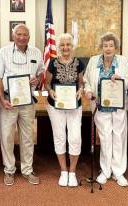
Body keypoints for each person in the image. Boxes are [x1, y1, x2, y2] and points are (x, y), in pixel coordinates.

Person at [0, 24, 44, 186]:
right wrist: (1, 98)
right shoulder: (3, 52)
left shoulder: (36, 52)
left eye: (25, 35)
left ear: (29, 36)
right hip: (8, 101)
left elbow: (41, 72)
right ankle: (9, 170)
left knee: (27, 136)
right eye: (19, 34)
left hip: (27, 101)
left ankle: (27, 170)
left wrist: (38, 78)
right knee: (6, 136)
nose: (22, 37)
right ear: (13, 36)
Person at [84, 32, 128, 187]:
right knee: (105, 137)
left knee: (119, 136)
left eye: (111, 45)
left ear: (115, 47)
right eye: (105, 45)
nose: (108, 48)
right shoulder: (93, 61)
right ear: (101, 47)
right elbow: (86, 80)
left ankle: (118, 172)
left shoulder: (123, 61)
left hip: (118, 105)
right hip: (100, 105)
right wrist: (88, 90)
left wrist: (121, 81)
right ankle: (105, 171)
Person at [44, 33, 84, 187]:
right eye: (62, 45)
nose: (65, 47)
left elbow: (80, 83)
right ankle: (63, 171)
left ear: (72, 47)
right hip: (56, 106)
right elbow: (47, 83)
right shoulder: (52, 63)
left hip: (74, 105)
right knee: (59, 136)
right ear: (58, 47)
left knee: (75, 137)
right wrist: (50, 91)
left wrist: (81, 90)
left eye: (68, 45)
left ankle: (72, 172)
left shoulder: (79, 63)